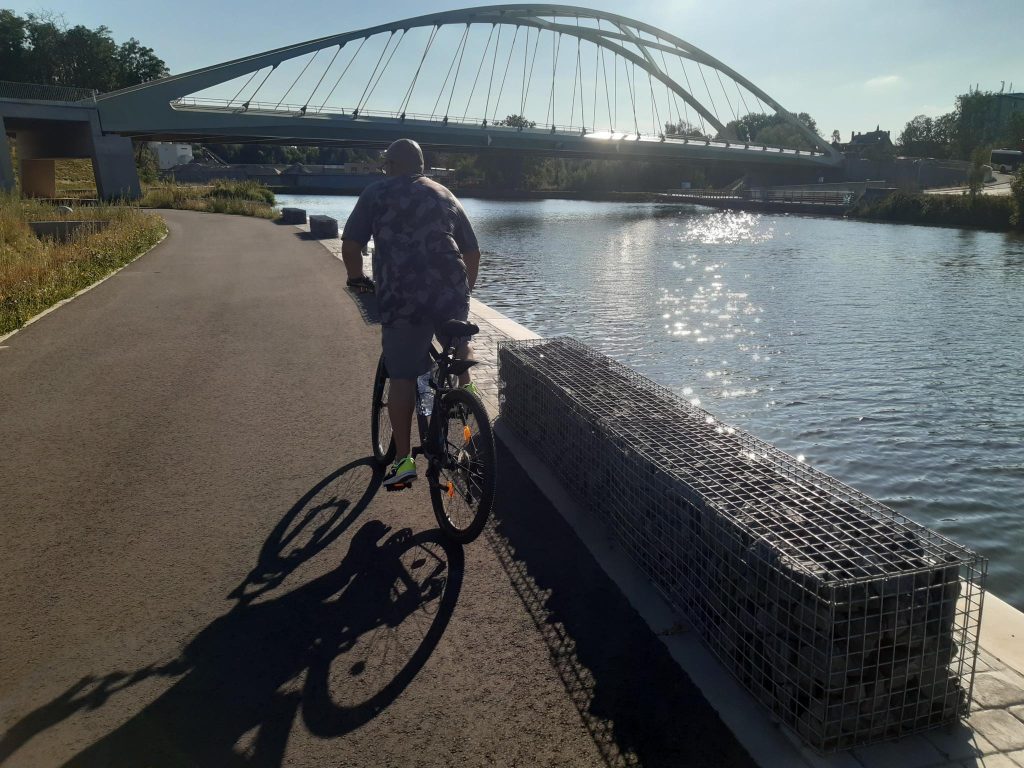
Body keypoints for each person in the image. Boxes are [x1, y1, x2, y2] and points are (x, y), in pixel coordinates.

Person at [341, 138, 482, 487]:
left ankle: (404, 461)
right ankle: (469, 399)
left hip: (401, 297)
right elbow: (472, 252)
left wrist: (357, 279)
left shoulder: (376, 193)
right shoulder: (444, 193)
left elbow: (351, 245)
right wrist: (464, 293)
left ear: (390, 165)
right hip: (449, 287)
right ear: (422, 166)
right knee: (458, 341)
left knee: (403, 376)